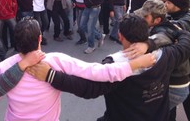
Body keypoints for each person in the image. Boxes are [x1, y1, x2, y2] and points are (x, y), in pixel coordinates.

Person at [0, 18, 155, 121]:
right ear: (40, 39)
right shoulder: (56, 60)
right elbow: (100, 72)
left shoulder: (5, 66)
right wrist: (138, 62)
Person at [28, 15, 190, 121]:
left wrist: (51, 76)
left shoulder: (114, 64)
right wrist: (151, 44)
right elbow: (185, 39)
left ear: (120, 36)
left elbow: (89, 89)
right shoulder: (165, 55)